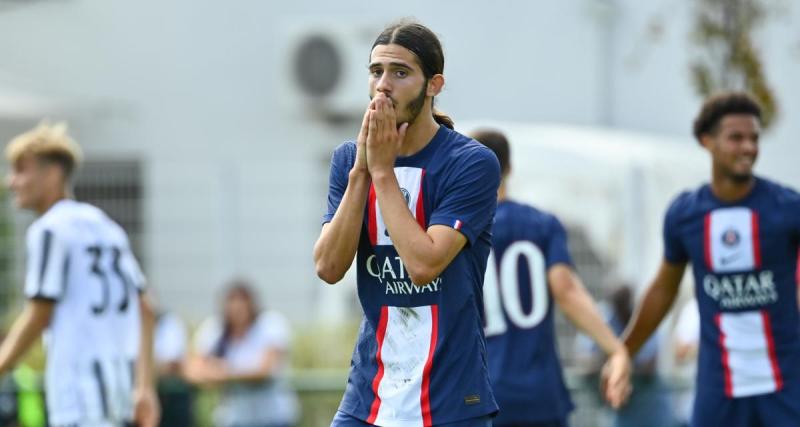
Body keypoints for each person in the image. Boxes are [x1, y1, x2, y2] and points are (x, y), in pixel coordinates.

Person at [313, 21, 501, 426]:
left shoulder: (471, 163)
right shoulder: (349, 160)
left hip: (450, 404)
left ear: (433, 85)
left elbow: (422, 266)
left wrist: (382, 172)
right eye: (375, 71)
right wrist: (362, 171)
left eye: (400, 73)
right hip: (369, 401)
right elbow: (328, 268)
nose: (383, 85)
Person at [608, 92, 800, 426]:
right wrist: (624, 351)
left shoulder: (787, 208)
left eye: (754, 138)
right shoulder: (686, 214)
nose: (748, 148)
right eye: (736, 138)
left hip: (787, 385)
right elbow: (664, 288)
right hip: (718, 391)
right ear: (706, 141)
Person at [0, 122, 159, 427]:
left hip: (79, 394)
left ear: (52, 174)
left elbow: (39, 313)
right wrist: (145, 388)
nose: (12, 182)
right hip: (120, 392)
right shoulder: (107, 227)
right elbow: (146, 307)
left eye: (21, 170)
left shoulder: (49, 230)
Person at [472, 129, 631, 427]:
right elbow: (567, 290)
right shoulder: (541, 225)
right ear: (509, 169)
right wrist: (616, 349)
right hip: (538, 394)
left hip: (477, 395)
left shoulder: (453, 232)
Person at [185, 279, 298, 427]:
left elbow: (264, 370)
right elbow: (193, 370)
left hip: (274, 418)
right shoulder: (214, 329)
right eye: (232, 302)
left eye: (242, 301)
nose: (237, 308)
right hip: (232, 418)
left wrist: (222, 371)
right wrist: (218, 374)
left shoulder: (271, 324)